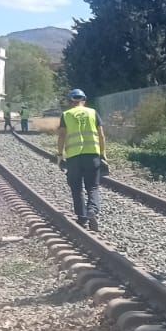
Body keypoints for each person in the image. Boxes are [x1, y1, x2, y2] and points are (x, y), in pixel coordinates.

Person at [56, 89, 107, 231]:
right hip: (92, 156)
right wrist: (102, 154)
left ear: (70, 102)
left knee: (76, 188)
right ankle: (92, 210)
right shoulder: (93, 112)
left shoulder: (66, 115)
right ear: (83, 100)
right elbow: (101, 136)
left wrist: (60, 155)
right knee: (93, 186)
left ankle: (82, 217)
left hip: (74, 158)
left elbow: (61, 136)